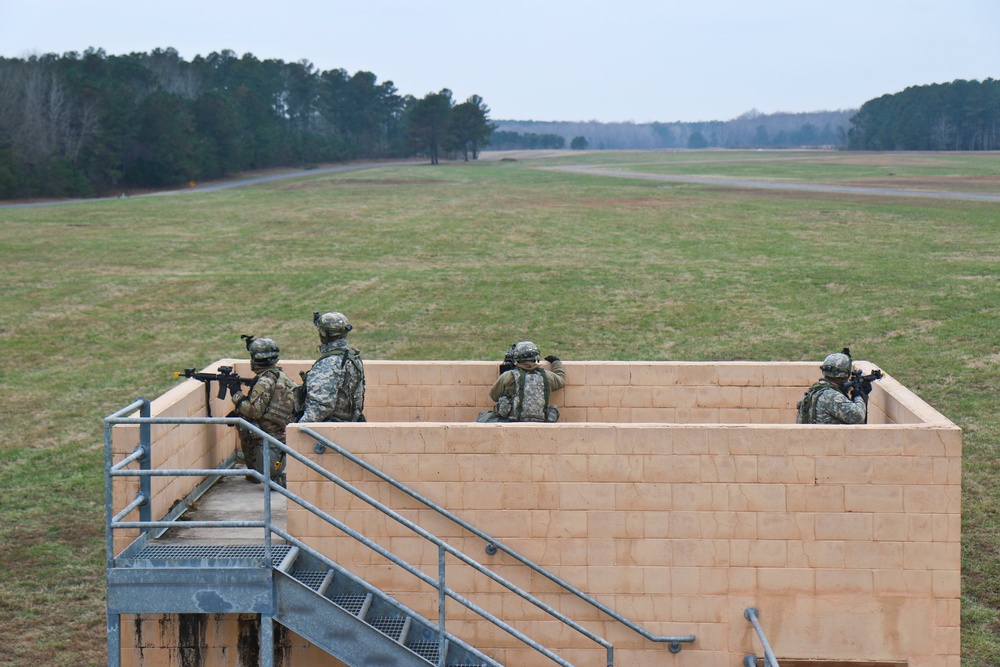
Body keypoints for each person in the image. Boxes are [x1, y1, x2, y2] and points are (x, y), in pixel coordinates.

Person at [230, 336, 299, 486]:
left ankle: (263, 474)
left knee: (244, 422)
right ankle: (259, 472)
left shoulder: (264, 381)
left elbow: (254, 412)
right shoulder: (280, 375)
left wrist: (236, 395)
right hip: (279, 435)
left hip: (268, 438)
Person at [298, 311, 366, 423]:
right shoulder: (352, 358)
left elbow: (320, 407)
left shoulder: (329, 363)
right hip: (348, 425)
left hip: (327, 429)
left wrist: (297, 428)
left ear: (324, 334)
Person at [478, 341, 565, 422]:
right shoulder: (547, 376)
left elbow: (494, 395)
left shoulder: (509, 376)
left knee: (483, 417)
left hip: (513, 420)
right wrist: (556, 362)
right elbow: (561, 381)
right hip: (541, 420)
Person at [796, 351, 867, 424]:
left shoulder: (815, 389)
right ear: (846, 373)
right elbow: (858, 417)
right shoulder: (832, 396)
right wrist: (857, 396)